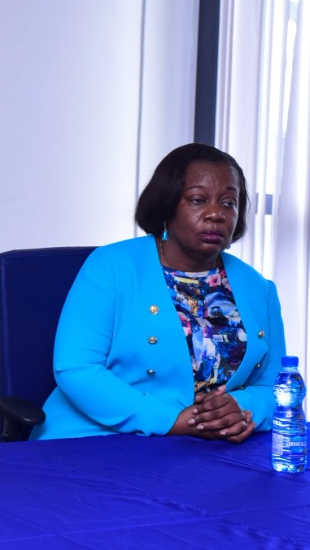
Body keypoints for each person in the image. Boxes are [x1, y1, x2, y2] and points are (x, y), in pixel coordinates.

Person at [33, 143, 286, 442]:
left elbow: (277, 385)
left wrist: (242, 410)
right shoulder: (110, 267)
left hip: (209, 446)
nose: (216, 214)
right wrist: (171, 420)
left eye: (228, 203)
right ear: (167, 206)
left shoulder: (259, 288)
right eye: (198, 200)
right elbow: (76, 368)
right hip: (100, 438)